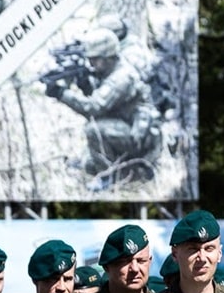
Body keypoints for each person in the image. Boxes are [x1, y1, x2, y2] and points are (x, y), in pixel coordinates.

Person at [49, 28, 162, 183]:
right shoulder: (110, 70)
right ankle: (129, 171)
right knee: (89, 164)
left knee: (94, 129)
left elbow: (94, 108)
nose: (91, 64)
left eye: (95, 60)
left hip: (140, 138)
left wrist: (61, 93)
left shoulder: (121, 78)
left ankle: (108, 178)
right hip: (128, 128)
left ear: (108, 57)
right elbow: (103, 100)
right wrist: (84, 84)